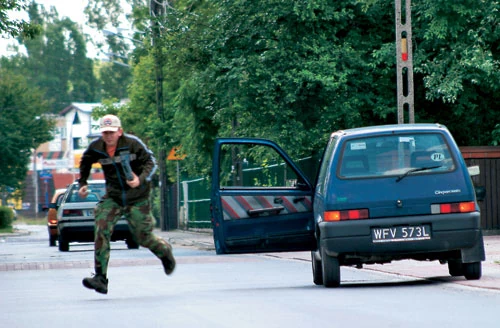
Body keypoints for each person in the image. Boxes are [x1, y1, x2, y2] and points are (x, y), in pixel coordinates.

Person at [79, 114, 175, 294]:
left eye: (112, 132)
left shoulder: (132, 144)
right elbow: (85, 161)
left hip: (137, 196)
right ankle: (100, 278)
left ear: (119, 131)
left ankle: (164, 252)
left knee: (142, 237)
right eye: (105, 133)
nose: (108, 136)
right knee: (101, 229)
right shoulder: (96, 148)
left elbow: (151, 162)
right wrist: (82, 183)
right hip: (113, 197)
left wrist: (140, 179)